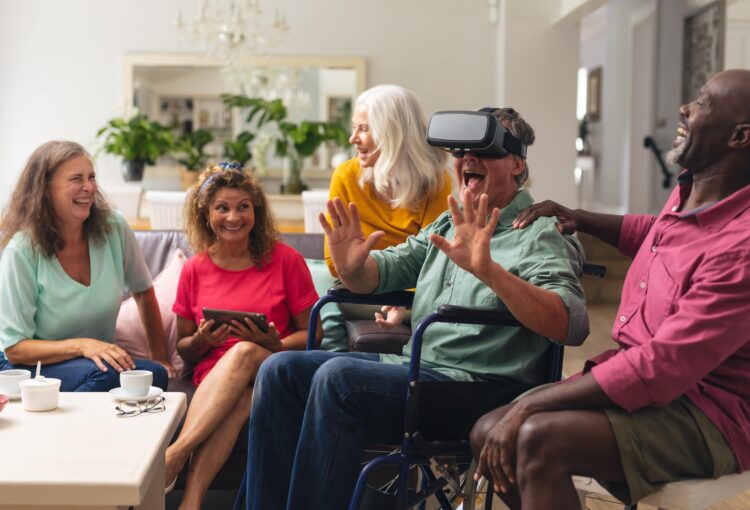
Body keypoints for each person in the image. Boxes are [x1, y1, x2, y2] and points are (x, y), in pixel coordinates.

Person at [244, 108, 589, 510]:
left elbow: (572, 323)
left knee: (340, 378)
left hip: (480, 387)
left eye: (485, 149)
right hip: (416, 371)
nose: (468, 159)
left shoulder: (539, 233)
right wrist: (353, 267)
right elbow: (382, 272)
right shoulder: (448, 222)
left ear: (517, 165)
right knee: (279, 370)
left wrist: (489, 271)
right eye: (461, 150)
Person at [469, 69, 750, 510]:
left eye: (702, 102)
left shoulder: (743, 246)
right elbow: (654, 233)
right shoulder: (694, 194)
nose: (685, 108)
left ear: (740, 136)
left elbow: (661, 366)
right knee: (488, 429)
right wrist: (579, 215)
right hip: (657, 388)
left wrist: (532, 404)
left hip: (711, 415)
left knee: (537, 437)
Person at [164, 162, 321, 508]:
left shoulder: (286, 260)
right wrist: (203, 342)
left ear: (256, 211)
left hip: (276, 367)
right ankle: (191, 500)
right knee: (239, 401)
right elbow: (184, 347)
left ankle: (174, 455)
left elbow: (313, 336)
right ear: (206, 214)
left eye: (242, 207)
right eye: (222, 207)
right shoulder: (194, 269)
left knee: (246, 352)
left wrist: (273, 344)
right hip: (218, 378)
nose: (233, 217)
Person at [0, 141, 171, 390]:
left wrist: (161, 358)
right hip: (27, 368)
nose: (89, 187)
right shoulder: (22, 251)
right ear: (45, 189)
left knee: (153, 375)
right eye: (76, 179)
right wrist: (82, 345)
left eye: (91, 177)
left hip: (91, 363)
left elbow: (143, 291)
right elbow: (15, 349)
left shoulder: (114, 227)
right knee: (107, 376)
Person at [326, 84, 452, 329]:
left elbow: (434, 259)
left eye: (363, 129)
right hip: (359, 289)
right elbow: (336, 263)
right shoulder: (345, 176)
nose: (353, 139)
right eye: (354, 128)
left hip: (419, 291)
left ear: (392, 132)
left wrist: (403, 303)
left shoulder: (436, 181)